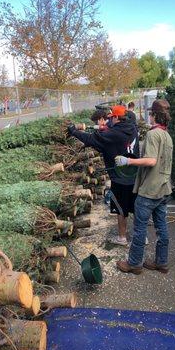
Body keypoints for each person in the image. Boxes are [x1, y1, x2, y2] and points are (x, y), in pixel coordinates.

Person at [67, 105, 139, 245]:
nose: (109, 120)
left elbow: (91, 139)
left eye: (112, 118)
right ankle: (141, 236)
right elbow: (109, 137)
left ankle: (122, 238)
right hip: (135, 174)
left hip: (120, 177)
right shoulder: (133, 129)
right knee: (136, 207)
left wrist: (74, 131)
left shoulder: (113, 134)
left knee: (121, 209)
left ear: (117, 118)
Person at [115, 99, 173, 274]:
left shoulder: (153, 134)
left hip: (149, 191)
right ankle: (161, 262)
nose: (149, 115)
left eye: (150, 113)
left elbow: (151, 161)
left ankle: (134, 264)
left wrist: (128, 160)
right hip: (164, 189)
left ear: (154, 115)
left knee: (139, 229)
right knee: (162, 228)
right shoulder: (167, 136)